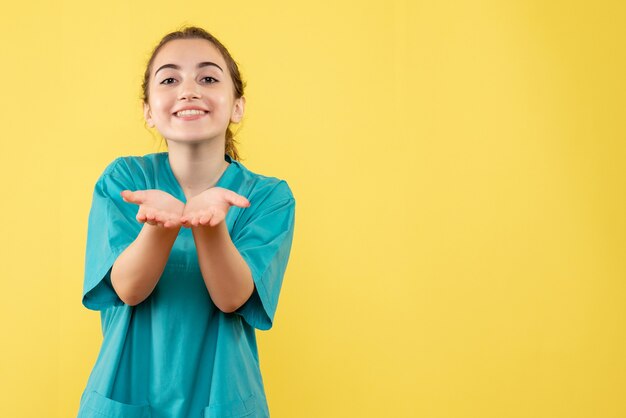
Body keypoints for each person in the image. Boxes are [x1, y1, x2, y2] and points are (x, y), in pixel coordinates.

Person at [77, 26, 296, 418]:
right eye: (170, 79)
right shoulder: (124, 182)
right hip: (123, 395)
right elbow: (128, 288)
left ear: (237, 106)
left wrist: (210, 225)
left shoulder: (266, 197)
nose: (188, 90)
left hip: (225, 400)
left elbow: (232, 297)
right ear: (148, 110)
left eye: (208, 78)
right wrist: (159, 225)